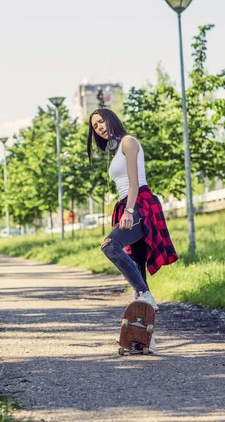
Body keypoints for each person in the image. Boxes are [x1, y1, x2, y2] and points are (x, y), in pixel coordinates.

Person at [87, 108, 178, 313]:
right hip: (128, 204)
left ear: (111, 119)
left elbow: (134, 182)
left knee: (110, 246)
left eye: (101, 121)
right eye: (95, 126)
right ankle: (144, 325)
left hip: (139, 204)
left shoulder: (128, 141)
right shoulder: (117, 148)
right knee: (138, 265)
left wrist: (128, 211)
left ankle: (144, 295)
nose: (99, 127)